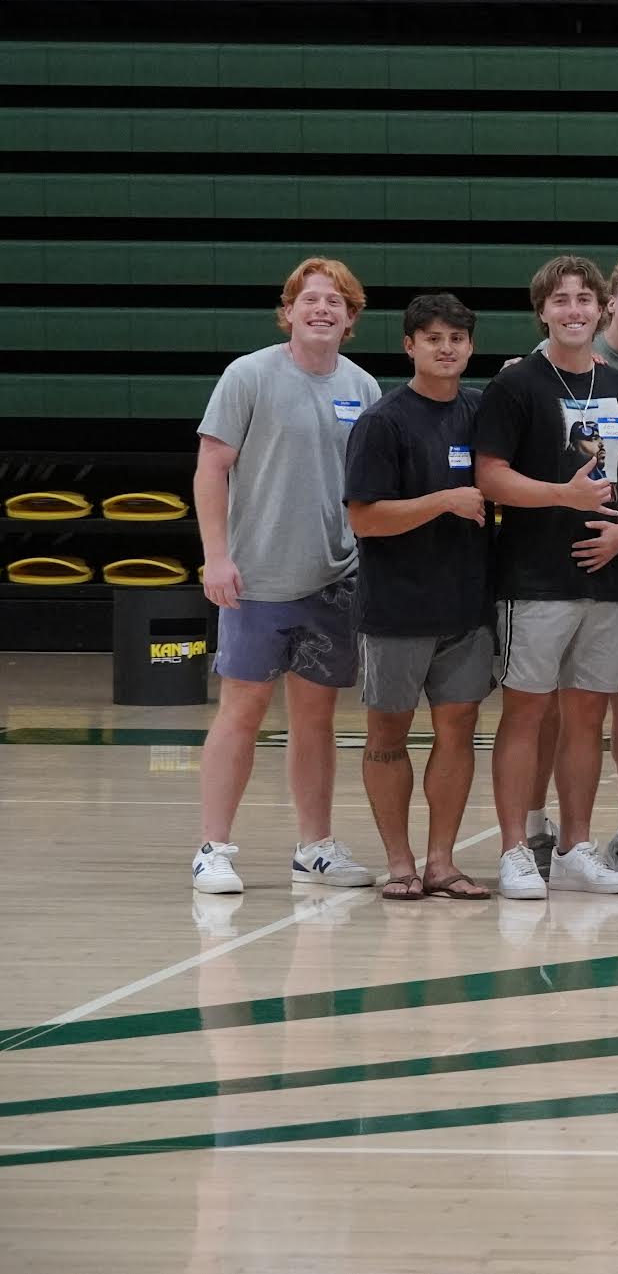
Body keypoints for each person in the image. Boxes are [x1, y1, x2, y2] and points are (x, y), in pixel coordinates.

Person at [189, 257, 383, 894]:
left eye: (336, 302)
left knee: (316, 719)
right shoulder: (248, 375)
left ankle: (314, 847)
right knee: (240, 713)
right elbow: (211, 467)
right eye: (311, 300)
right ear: (290, 310)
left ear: (351, 318)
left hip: (334, 581)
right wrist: (217, 557)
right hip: (257, 578)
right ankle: (213, 847)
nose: (322, 310)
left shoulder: (364, 388)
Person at [475, 255, 618, 899]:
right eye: (561, 300)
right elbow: (489, 475)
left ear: (601, 308)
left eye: (585, 299)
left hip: (605, 578)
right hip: (533, 578)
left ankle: (578, 848)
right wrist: (563, 496)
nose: (574, 310)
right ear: (543, 312)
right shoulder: (516, 385)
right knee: (526, 712)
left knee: (588, 716)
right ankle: (515, 850)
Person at [344, 293, 496, 901]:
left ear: (470, 347)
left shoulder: (482, 413)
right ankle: (400, 861)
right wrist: (443, 500)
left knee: (457, 733)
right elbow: (364, 519)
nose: (446, 348)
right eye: (432, 338)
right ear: (410, 346)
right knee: (387, 737)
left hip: (466, 607)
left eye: (457, 338)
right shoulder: (382, 422)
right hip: (396, 610)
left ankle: (441, 861)